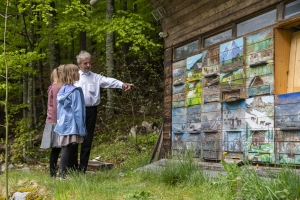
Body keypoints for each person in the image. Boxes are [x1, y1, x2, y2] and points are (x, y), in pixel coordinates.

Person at [74, 50, 133, 172]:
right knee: (74, 139)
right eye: (85, 63)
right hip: (76, 111)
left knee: (87, 139)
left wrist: (122, 84)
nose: (88, 65)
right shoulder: (74, 77)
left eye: (90, 63)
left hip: (91, 111)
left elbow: (109, 81)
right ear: (79, 64)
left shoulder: (95, 77)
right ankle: (72, 167)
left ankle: (82, 169)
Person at [54, 64, 87, 178]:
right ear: (72, 74)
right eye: (77, 72)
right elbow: (78, 111)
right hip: (73, 124)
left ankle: (69, 174)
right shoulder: (75, 91)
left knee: (68, 148)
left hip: (64, 124)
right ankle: (61, 175)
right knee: (69, 149)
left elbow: (59, 109)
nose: (79, 74)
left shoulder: (62, 90)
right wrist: (81, 128)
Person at [40, 66, 63, 178]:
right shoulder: (56, 87)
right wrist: (62, 121)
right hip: (56, 121)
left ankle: (54, 173)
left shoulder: (56, 86)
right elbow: (57, 106)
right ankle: (53, 173)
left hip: (54, 120)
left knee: (58, 148)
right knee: (57, 148)